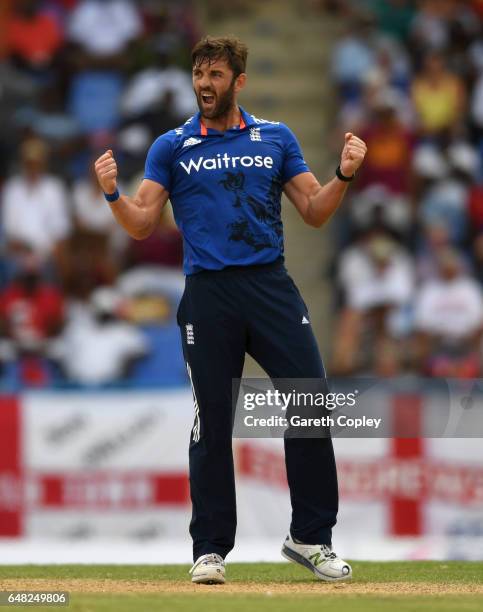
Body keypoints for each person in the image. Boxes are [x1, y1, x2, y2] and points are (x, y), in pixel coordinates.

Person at [94, 36, 367, 584]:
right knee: (212, 421)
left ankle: (311, 538)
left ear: (238, 81)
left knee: (310, 403)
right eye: (198, 74)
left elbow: (313, 210)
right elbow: (144, 222)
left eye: (215, 75)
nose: (204, 84)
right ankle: (210, 548)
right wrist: (112, 195)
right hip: (208, 293)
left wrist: (343, 175)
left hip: (270, 286)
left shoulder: (275, 138)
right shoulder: (171, 146)